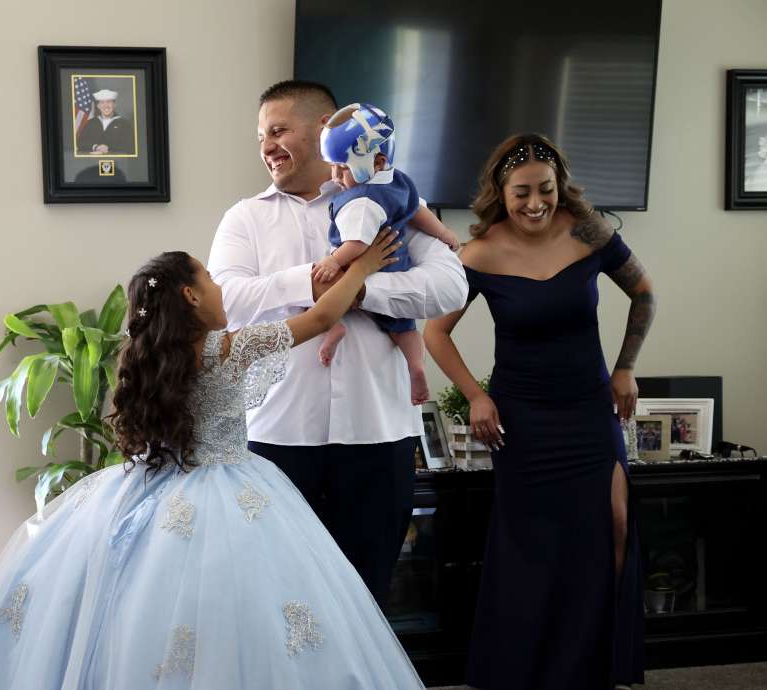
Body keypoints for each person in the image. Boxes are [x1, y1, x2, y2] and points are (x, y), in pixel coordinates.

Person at [0, 235, 424, 689]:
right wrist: (362, 266)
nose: (219, 286)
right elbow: (321, 318)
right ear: (191, 296)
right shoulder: (227, 348)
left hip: (146, 486)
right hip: (232, 488)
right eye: (210, 278)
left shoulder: (146, 358)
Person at [207, 80, 468, 606]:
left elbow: (450, 287)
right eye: (261, 137)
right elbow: (224, 302)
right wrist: (313, 284)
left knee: (367, 597)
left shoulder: (388, 195)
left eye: (278, 131)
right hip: (277, 437)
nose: (267, 147)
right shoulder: (245, 218)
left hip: (379, 434)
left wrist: (361, 289)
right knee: (277, 599)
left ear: (325, 129)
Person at [424, 134, 656, 690]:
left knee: (614, 523)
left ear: (560, 186)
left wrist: (625, 367)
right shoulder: (477, 254)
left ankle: (596, 665)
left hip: (589, 408)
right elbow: (435, 333)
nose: (535, 203)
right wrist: (477, 396)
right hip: (524, 419)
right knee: (534, 547)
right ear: (500, 193)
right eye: (522, 192)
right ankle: (529, 671)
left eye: (545, 190)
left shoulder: (590, 231)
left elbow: (644, 293)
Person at [313, 102, 461, 404]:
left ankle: (335, 329)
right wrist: (443, 232)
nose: (336, 176)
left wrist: (333, 261)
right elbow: (417, 211)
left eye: (344, 168)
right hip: (397, 265)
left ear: (378, 161)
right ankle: (416, 365)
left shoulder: (362, 201)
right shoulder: (398, 180)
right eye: (334, 166)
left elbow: (357, 245)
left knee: (322, 297)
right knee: (404, 330)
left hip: (364, 267)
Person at [77, 88, 135, 155]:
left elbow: (130, 146)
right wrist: (96, 147)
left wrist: (108, 149)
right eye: (102, 102)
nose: (106, 106)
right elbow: (80, 143)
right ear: (98, 106)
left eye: (109, 102)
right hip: (92, 160)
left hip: (117, 159)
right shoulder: (91, 123)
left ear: (115, 104)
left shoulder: (124, 124)